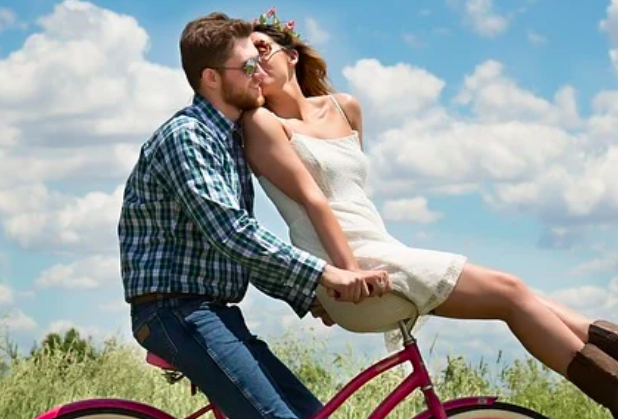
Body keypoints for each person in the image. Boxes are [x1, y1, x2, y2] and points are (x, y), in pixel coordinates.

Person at [241, 8, 618, 417]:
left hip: (379, 251)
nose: (255, 62)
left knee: (522, 294)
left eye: (262, 49)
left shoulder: (345, 107)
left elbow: (356, 198)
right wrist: (345, 273)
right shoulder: (261, 122)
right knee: (511, 294)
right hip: (350, 267)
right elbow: (315, 203)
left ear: (291, 54)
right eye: (245, 59)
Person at [117, 12, 392, 419]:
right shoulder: (188, 137)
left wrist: (305, 295)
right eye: (248, 66)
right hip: (175, 312)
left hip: (214, 312)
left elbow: (237, 251)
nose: (260, 73)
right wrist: (324, 274)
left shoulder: (228, 141)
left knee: (313, 414)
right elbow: (232, 233)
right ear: (212, 78)